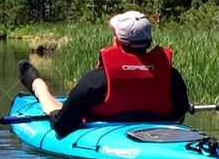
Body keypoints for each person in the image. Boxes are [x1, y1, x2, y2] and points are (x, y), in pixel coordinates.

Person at [17, 11, 190, 139]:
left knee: (57, 111)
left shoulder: (97, 80)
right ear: (150, 41)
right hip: (156, 130)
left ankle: (39, 87)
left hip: (104, 128)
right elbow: (179, 115)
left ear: (117, 40)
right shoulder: (171, 76)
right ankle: (39, 85)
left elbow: (62, 126)